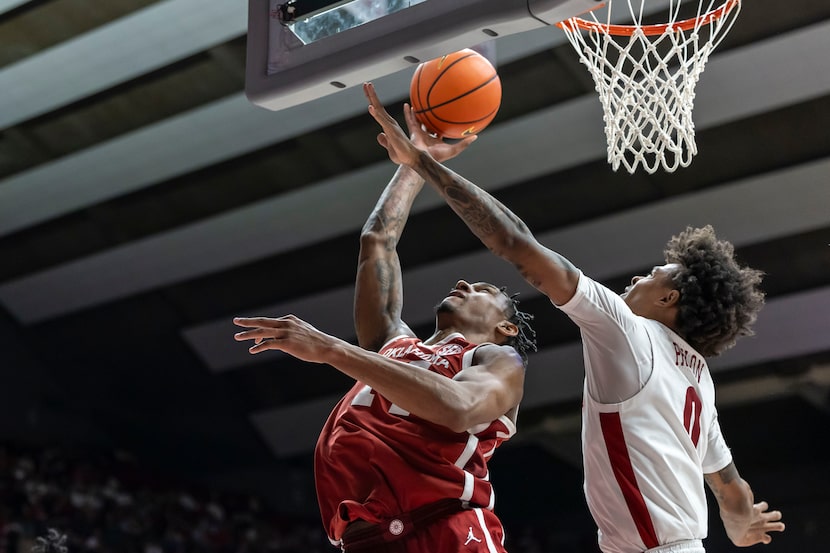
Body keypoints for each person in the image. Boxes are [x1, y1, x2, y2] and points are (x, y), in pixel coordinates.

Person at [363, 82, 786, 553]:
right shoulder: (698, 380)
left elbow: (518, 246)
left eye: (652, 275)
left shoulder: (631, 333)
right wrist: (742, 523)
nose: (636, 279)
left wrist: (422, 161)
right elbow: (730, 487)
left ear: (670, 300)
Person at [233, 122, 537, 552]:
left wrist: (330, 348)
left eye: (484, 291)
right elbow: (377, 241)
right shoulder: (394, 344)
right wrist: (416, 159)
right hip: (365, 540)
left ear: (506, 328)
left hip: (444, 531)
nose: (466, 283)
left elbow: (458, 408)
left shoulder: (496, 359)